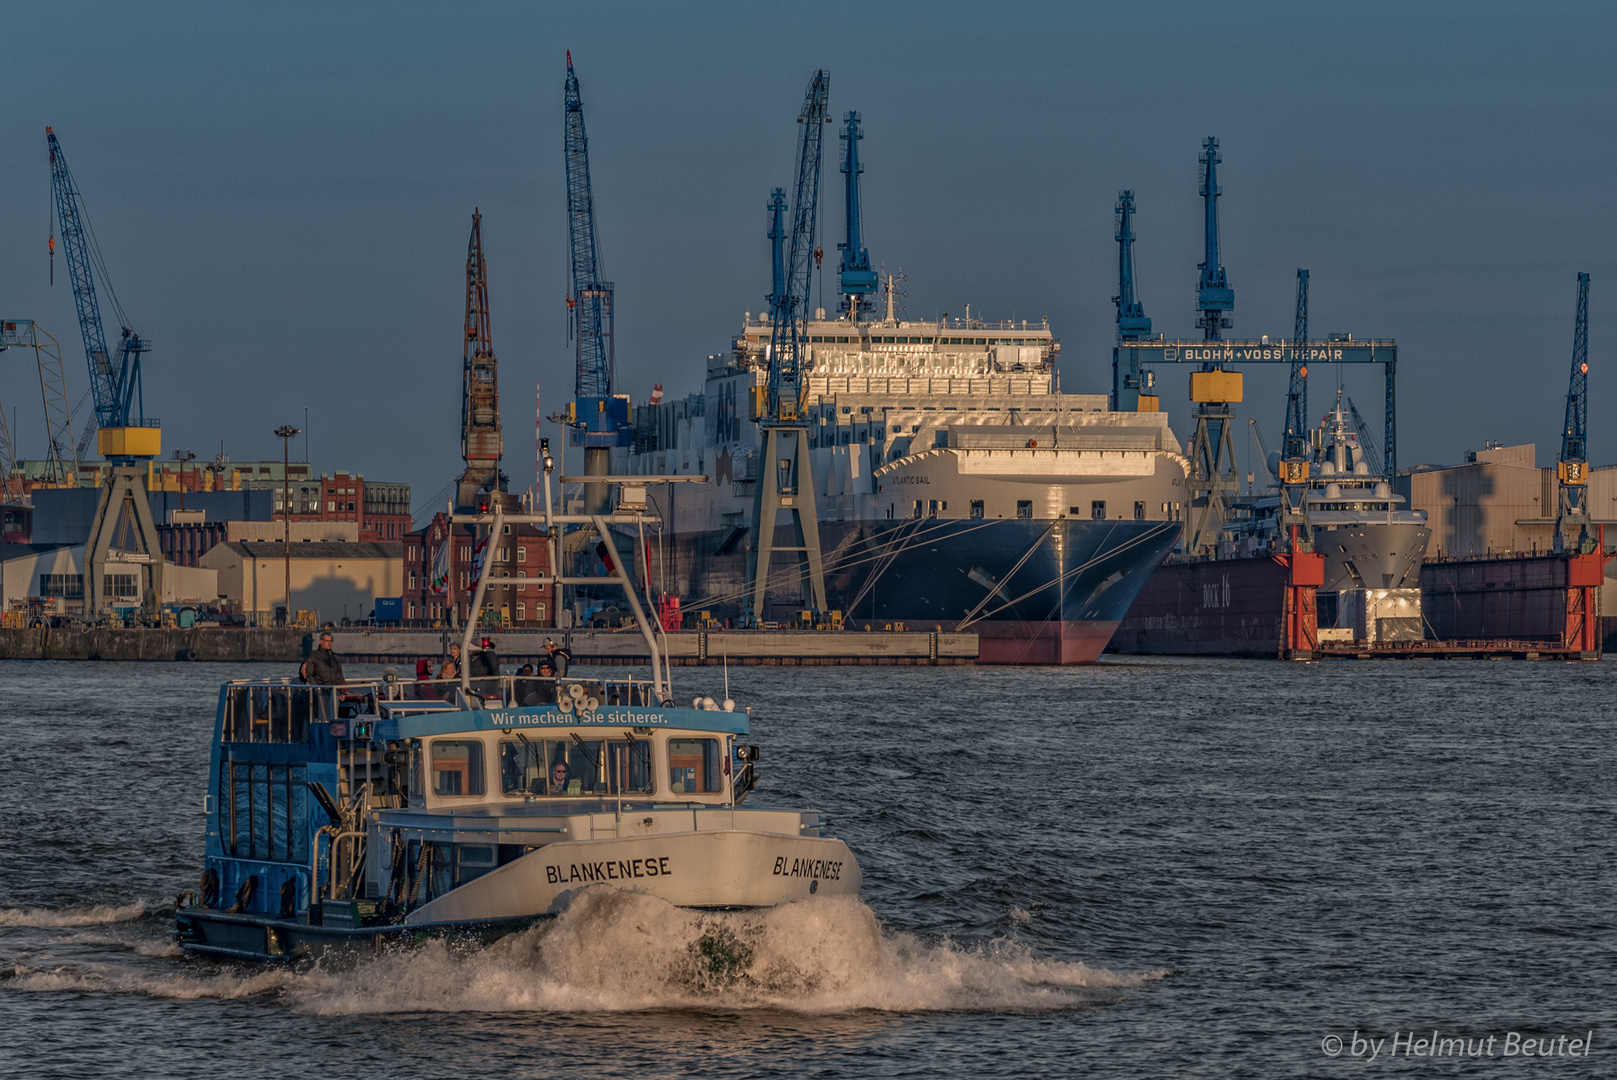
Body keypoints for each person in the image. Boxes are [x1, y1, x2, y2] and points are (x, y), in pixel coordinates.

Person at [304, 632, 345, 721]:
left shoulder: (334, 657)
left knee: (334, 716)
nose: (329, 643)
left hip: (334, 691)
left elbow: (340, 674)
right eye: (327, 641)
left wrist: (342, 691)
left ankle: (332, 733)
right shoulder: (315, 656)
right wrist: (316, 687)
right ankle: (322, 733)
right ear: (321, 641)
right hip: (321, 690)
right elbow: (309, 674)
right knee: (322, 716)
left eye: (331, 641)